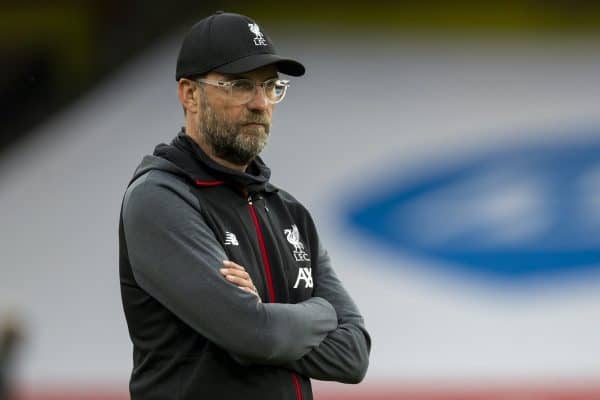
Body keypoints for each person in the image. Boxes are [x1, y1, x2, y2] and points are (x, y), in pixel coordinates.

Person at [119, 11, 370, 400]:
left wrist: (264, 319)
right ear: (189, 94)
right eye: (239, 85)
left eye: (271, 86)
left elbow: (354, 355)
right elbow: (255, 334)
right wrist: (320, 313)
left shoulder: (289, 211)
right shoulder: (160, 199)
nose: (260, 103)